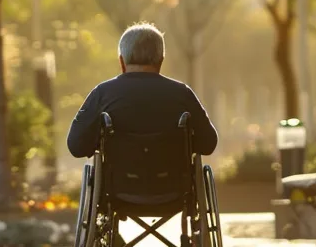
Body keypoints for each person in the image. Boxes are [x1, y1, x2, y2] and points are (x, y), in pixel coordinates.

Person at [67, 22, 218, 159]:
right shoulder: (182, 94)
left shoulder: (103, 93)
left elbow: (76, 146)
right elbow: (208, 144)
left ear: (122, 61)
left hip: (118, 185)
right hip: (173, 185)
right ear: (160, 60)